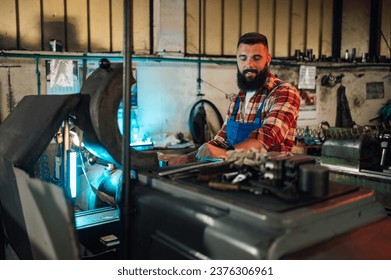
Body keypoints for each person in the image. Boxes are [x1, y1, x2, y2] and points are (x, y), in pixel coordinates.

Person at [159, 32, 300, 165]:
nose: (249, 64)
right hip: (236, 177)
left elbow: (267, 136)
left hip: (271, 179)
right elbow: (221, 141)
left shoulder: (283, 92)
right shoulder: (238, 100)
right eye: (243, 58)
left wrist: (225, 154)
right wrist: (184, 159)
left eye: (256, 58)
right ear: (237, 60)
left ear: (268, 60)